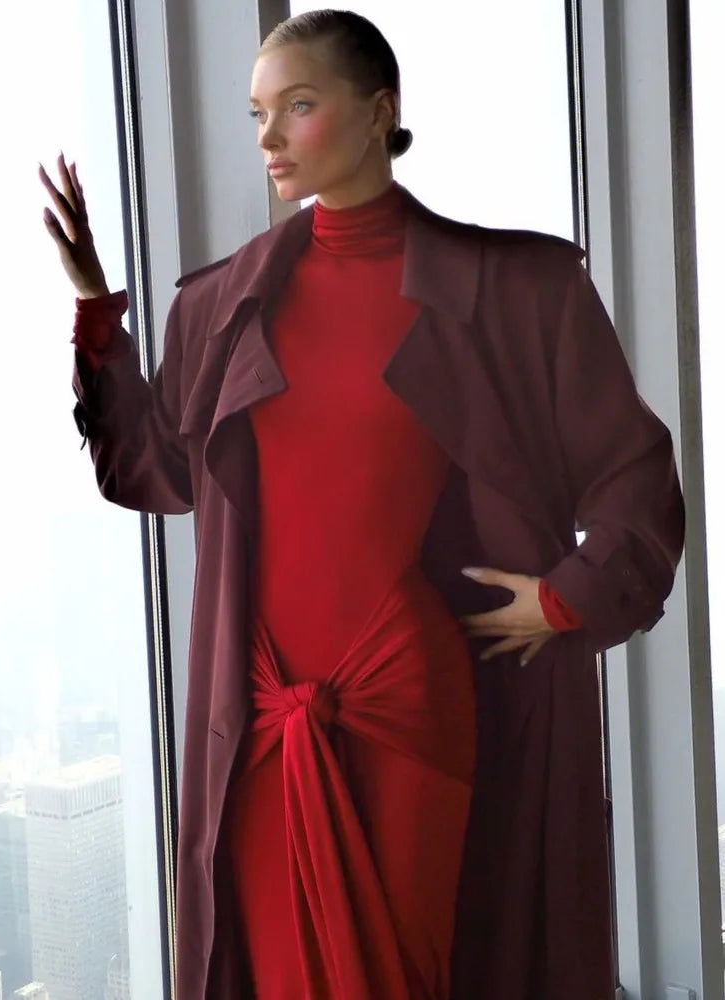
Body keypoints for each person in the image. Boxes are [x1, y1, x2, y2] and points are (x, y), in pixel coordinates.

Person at [40, 9, 685, 1000]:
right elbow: (154, 472)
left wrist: (568, 597)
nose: (268, 135)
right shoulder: (218, 305)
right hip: (258, 714)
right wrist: (95, 310)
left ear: (381, 111)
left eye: (297, 106)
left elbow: (636, 474)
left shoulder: (518, 287)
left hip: (409, 706)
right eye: (257, 112)